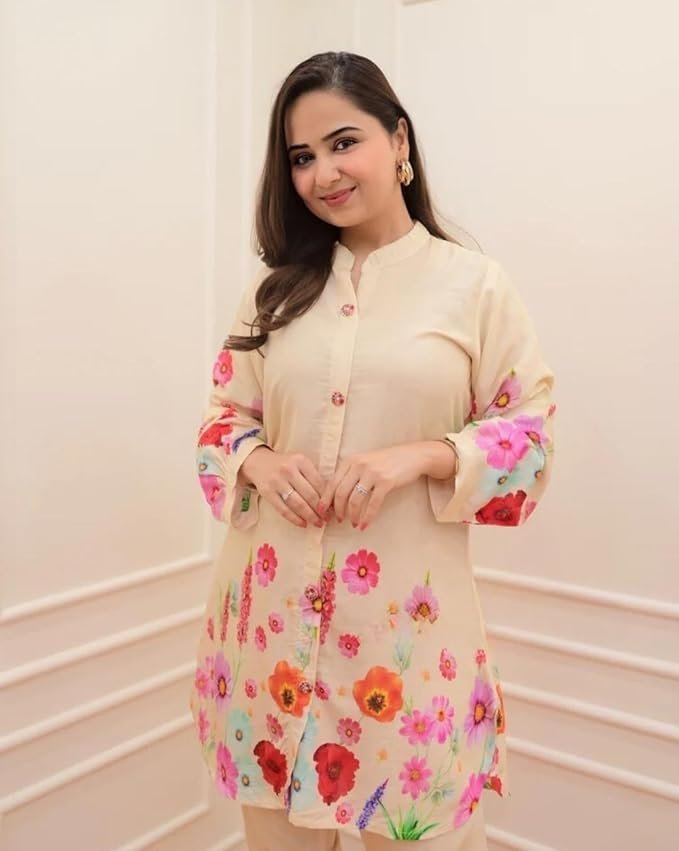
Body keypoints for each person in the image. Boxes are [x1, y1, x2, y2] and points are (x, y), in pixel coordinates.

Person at [189, 51, 556, 851]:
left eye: (343, 142)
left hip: (407, 655)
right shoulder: (272, 293)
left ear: (398, 141)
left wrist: (422, 454)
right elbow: (221, 420)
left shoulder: (474, 287)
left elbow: (530, 442)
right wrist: (258, 461)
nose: (322, 173)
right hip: (269, 643)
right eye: (301, 156)